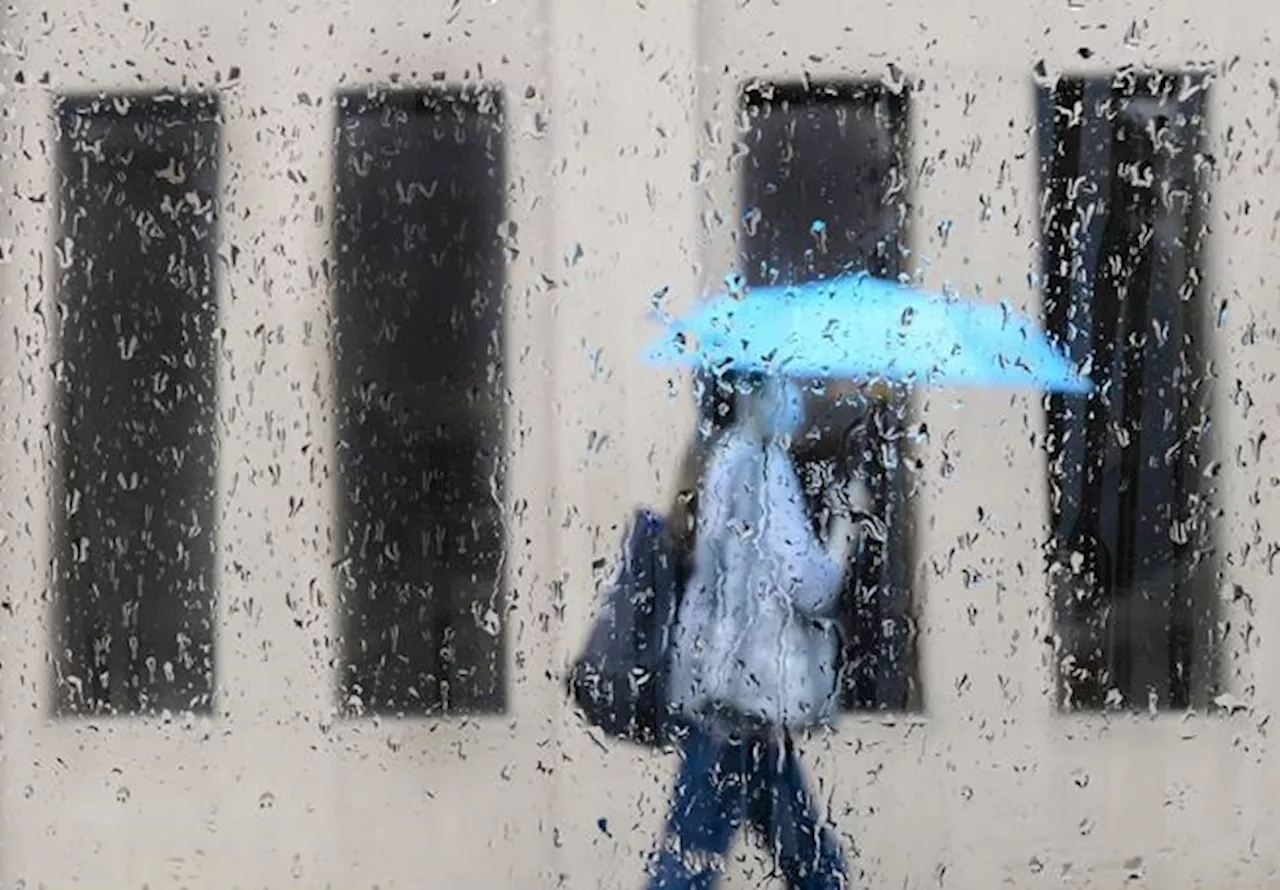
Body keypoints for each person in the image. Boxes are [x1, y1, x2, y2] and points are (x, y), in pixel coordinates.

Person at [650, 372, 864, 890]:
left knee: (807, 859)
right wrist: (847, 526)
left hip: (734, 694)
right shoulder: (762, 466)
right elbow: (810, 586)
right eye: (786, 386)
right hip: (744, 699)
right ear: (758, 392)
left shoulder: (724, 460)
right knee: (693, 861)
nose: (796, 401)